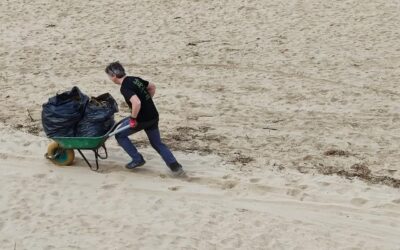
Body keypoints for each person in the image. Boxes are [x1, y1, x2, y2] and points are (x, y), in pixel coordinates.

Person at [105, 61, 184, 176]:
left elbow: (136, 103)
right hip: (153, 115)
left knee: (120, 135)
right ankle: (176, 167)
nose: (110, 79)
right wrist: (147, 101)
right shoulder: (135, 79)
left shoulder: (125, 87)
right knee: (157, 143)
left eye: (109, 76)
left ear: (114, 76)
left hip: (141, 120)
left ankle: (137, 159)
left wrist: (133, 118)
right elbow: (152, 87)